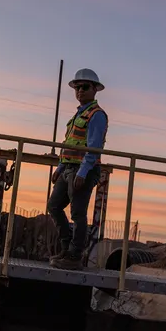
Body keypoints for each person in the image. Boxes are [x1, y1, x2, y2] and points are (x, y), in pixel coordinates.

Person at [47, 68, 108, 270]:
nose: (80, 91)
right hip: (68, 169)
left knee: (78, 213)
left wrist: (82, 172)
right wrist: (60, 167)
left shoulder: (97, 115)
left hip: (83, 171)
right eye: (77, 87)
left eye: (84, 87)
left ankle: (75, 256)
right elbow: (70, 143)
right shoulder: (77, 115)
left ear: (95, 90)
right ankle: (67, 247)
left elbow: (94, 147)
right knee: (54, 205)